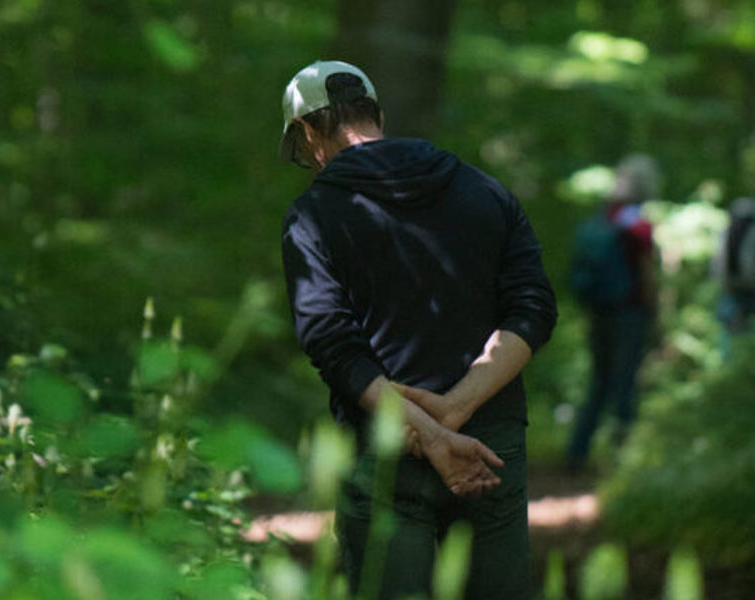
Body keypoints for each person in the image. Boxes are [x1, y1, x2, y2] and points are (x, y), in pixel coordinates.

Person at [279, 60, 557, 600]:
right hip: (488, 443)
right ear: (379, 116)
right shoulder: (485, 191)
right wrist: (454, 412)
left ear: (308, 134)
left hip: (385, 444)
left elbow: (330, 341)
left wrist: (429, 431)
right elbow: (534, 308)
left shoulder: (312, 215)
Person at [566, 155, 659, 470]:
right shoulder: (637, 223)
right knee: (626, 382)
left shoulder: (602, 216)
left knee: (600, 381)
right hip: (629, 312)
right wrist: (654, 313)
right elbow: (646, 272)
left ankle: (577, 452)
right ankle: (622, 460)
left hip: (598, 311)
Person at [713, 197, 755, 347]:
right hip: (749, 286)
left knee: (730, 333)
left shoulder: (726, 231)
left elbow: (717, 261)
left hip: (730, 287)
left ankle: (730, 358)